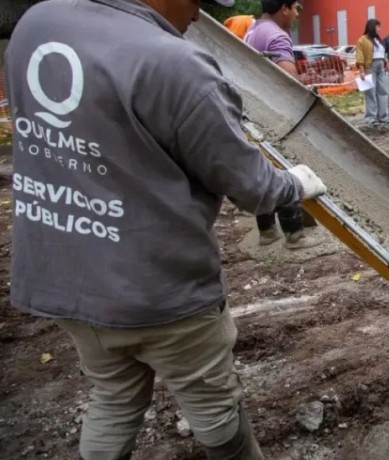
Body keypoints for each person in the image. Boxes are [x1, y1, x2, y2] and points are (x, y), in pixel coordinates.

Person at [5, 0, 328, 458]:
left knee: (113, 396)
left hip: (63, 279)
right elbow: (251, 187)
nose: (197, 16)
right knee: (215, 411)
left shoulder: (37, 23)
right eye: (196, 2)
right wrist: (293, 182)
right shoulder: (173, 62)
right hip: (160, 291)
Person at [244, 0, 322, 250]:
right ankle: (294, 234)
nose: (297, 15)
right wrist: (307, 85)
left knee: (263, 170)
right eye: (296, 9)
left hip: (252, 111)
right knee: (286, 167)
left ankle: (267, 231)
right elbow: (289, 83)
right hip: (275, 115)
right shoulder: (277, 35)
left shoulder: (253, 30)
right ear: (284, 8)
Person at [355, 18, 389, 127]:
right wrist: (361, 70)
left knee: (382, 91)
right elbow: (360, 56)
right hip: (370, 66)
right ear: (372, 27)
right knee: (371, 92)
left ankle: (383, 116)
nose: (379, 29)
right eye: (378, 26)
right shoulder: (363, 40)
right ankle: (371, 117)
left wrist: (386, 61)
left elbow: (382, 53)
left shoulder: (378, 40)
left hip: (381, 65)